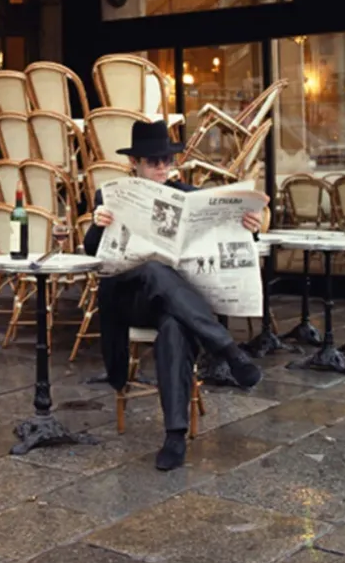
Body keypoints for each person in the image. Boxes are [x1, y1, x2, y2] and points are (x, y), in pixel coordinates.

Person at [82, 120, 266, 472]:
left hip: (172, 304)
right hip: (130, 300)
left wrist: (247, 229)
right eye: (154, 162)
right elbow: (92, 253)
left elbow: (217, 242)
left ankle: (174, 436)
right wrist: (97, 224)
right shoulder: (111, 196)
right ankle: (228, 349)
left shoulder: (187, 195)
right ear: (134, 162)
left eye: (167, 161)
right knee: (152, 271)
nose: (162, 169)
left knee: (174, 327)